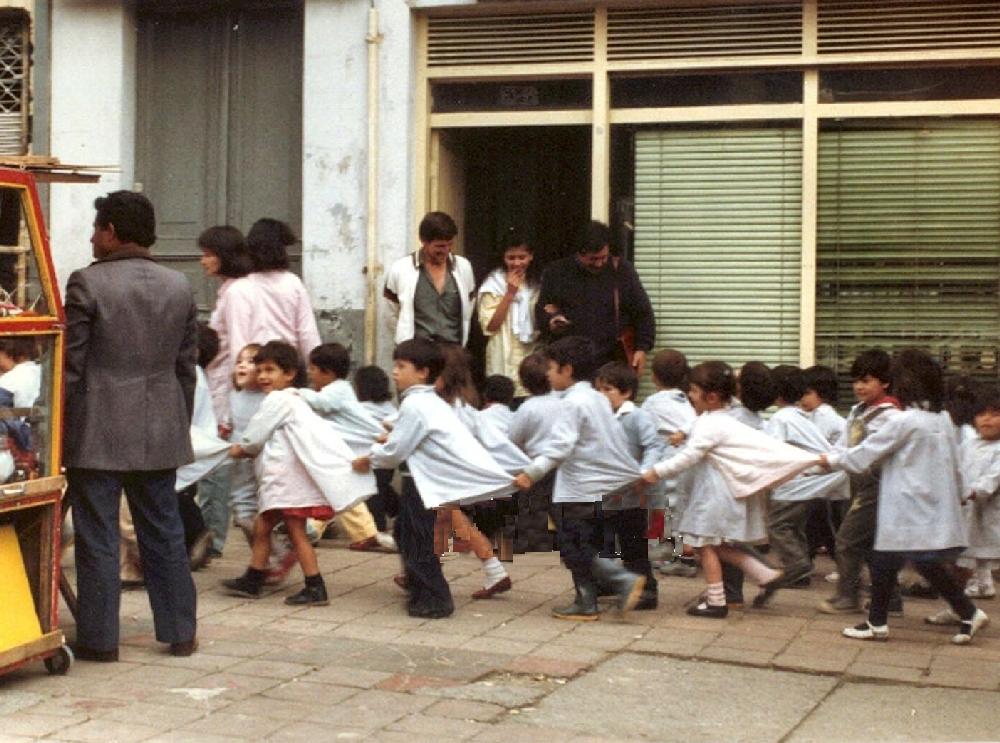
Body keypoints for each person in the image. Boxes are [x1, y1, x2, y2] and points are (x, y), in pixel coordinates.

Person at [64, 190, 198, 660]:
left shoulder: (87, 283)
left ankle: (100, 641)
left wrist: (62, 430)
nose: (92, 237)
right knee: (164, 529)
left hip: (97, 428)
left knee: (98, 535)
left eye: (97, 228)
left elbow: (71, 368)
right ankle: (180, 632)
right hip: (160, 424)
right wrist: (176, 421)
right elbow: (186, 368)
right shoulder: (179, 285)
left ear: (112, 232)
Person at [821, 349, 989, 645]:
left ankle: (965, 611)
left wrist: (830, 460)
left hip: (905, 505)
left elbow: (865, 454)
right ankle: (880, 621)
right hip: (927, 504)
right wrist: (961, 493)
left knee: (901, 559)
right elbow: (956, 464)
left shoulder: (904, 421)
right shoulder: (942, 421)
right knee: (896, 559)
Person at [640, 361, 817, 618]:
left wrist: (655, 472)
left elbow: (690, 455)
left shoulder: (716, 423)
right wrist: (684, 431)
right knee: (717, 545)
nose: (689, 395)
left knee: (705, 545)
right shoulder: (723, 417)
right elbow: (701, 428)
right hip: (717, 490)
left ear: (711, 397)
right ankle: (762, 574)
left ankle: (717, 600)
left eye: (693, 390)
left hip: (713, 494)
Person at [354, 338, 513, 619]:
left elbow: (396, 450)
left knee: (417, 540)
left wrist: (372, 456)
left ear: (423, 372)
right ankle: (419, 588)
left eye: (401, 366)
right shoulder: (427, 402)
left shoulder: (417, 404)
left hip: (425, 483)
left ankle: (434, 599)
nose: (394, 372)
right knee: (407, 533)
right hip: (425, 480)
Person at [222, 341, 376, 605]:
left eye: (270, 370)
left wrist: (233, 450)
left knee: (295, 532)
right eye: (260, 370)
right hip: (284, 481)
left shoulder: (279, 400)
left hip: (284, 482)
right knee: (262, 527)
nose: (262, 376)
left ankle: (314, 585)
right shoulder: (294, 399)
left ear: (289, 373)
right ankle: (254, 577)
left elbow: (254, 438)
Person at [513, 336, 647, 621]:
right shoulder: (596, 398)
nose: (547, 374)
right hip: (594, 486)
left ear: (567, 369)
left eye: (551, 368)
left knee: (573, 544)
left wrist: (531, 473)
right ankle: (586, 600)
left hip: (578, 487)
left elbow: (560, 446)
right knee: (581, 542)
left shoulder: (573, 404)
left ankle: (621, 581)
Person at [211, 218, 321, 429]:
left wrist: (241, 377)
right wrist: (315, 372)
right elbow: (307, 333)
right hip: (287, 372)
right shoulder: (293, 283)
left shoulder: (241, 287)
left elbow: (239, 339)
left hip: (256, 372)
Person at [817, 349, 901, 615]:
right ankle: (890, 600)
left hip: (878, 486)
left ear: (885, 382)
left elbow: (866, 453)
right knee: (874, 545)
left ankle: (847, 596)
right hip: (858, 484)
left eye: (866, 380)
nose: (859, 387)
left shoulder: (891, 416)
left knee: (848, 540)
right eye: (856, 381)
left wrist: (832, 461)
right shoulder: (858, 411)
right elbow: (844, 446)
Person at [297, 342, 396, 552]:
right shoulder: (337, 390)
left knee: (341, 491)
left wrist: (294, 393)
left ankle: (363, 533)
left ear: (328, 372)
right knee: (334, 490)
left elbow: (319, 403)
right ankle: (315, 528)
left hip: (359, 451)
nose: (309, 373)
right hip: (352, 451)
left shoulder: (337, 390)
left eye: (313, 369)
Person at [763, 365, 849, 590]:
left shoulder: (781, 418)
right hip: (815, 482)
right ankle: (801, 569)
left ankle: (797, 565)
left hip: (796, 484)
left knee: (778, 526)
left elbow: (772, 450)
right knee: (796, 527)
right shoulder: (801, 416)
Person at [535, 221, 655, 376]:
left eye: (603, 258)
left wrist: (642, 348)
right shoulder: (557, 272)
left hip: (611, 361)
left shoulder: (622, 270)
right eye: (593, 259)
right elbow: (542, 309)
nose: (599, 264)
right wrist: (552, 321)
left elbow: (643, 312)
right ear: (578, 253)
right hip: (570, 365)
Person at [594, 362, 665, 610]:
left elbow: (654, 445)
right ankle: (608, 582)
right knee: (603, 541)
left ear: (626, 393)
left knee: (633, 544)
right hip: (604, 491)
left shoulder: (637, 417)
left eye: (608, 389)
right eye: (599, 390)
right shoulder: (598, 417)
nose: (602, 395)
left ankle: (647, 589)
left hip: (631, 494)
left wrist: (645, 471)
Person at [640, 348, 695, 576]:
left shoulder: (652, 403)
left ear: (653, 376)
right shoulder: (688, 401)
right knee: (680, 510)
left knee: (659, 511)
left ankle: (662, 556)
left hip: (665, 464)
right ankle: (684, 555)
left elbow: (641, 432)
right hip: (688, 462)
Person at [383, 211, 476, 347]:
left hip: (453, 351)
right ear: (423, 241)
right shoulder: (400, 269)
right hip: (417, 353)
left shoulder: (464, 267)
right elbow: (391, 314)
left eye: (450, 244)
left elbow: (469, 306)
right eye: (440, 246)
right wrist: (405, 341)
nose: (446, 250)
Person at [509, 353, 564, 553]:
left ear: (523, 382)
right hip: (562, 462)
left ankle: (534, 540)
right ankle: (565, 537)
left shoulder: (527, 408)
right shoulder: (563, 401)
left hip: (535, 464)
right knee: (559, 504)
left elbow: (514, 437)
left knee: (532, 505)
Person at [199, 225, 253, 429]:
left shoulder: (236, 292)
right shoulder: (234, 289)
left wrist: (234, 392)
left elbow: (239, 344)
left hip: (226, 381)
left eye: (208, 255)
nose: (203, 261)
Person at [477, 230, 540, 397]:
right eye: (511, 258)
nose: (517, 263)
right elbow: (490, 325)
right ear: (503, 258)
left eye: (522, 257)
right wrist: (510, 293)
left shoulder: (536, 283)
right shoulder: (493, 284)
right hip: (504, 353)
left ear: (530, 257)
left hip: (530, 352)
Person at [956, 384, 1000, 601]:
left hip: (989, 510)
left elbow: (991, 481)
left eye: (995, 414)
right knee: (972, 551)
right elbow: (957, 469)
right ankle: (981, 584)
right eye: (982, 414)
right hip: (969, 508)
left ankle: (971, 592)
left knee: (981, 549)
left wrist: (969, 492)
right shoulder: (969, 444)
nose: (987, 420)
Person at [353, 364, 400, 531]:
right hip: (387, 460)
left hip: (369, 459)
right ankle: (399, 511)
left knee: (373, 494)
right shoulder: (390, 408)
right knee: (383, 488)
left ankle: (377, 527)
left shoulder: (360, 409)